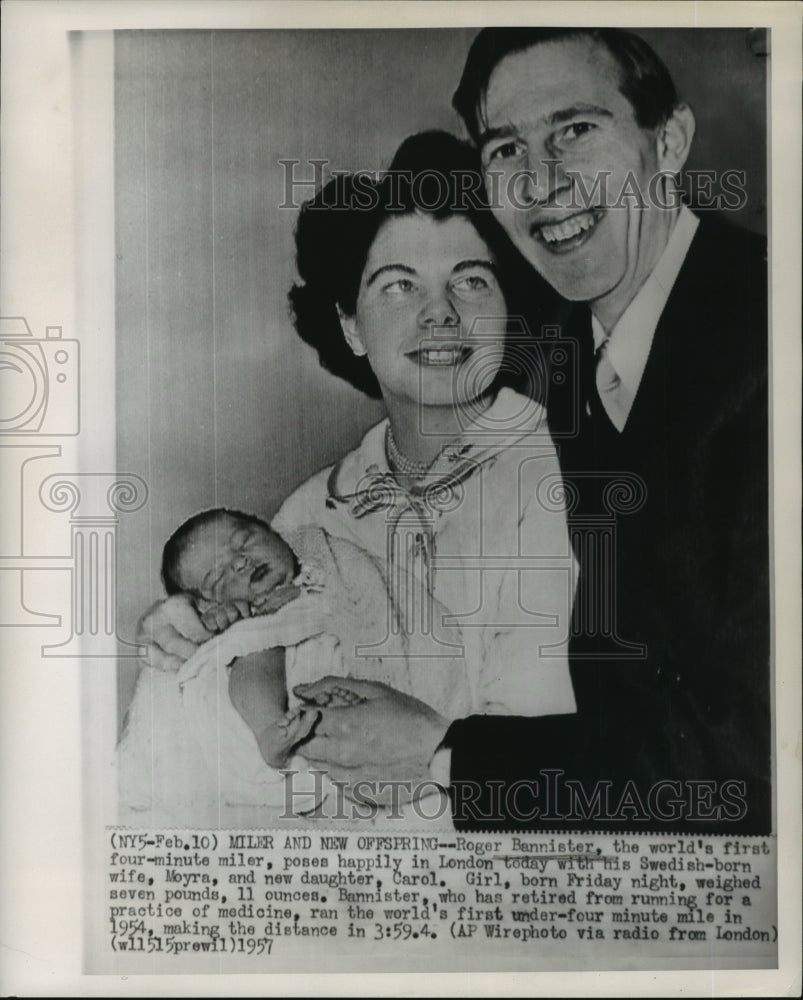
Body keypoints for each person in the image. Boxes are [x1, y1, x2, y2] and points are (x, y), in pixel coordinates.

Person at [296, 28, 771, 834]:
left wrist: (442, 755)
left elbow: (758, 760)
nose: (542, 183)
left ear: (671, 140)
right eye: (506, 149)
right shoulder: (549, 338)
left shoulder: (770, 338)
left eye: (575, 131)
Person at [134, 130, 578, 820]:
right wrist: (193, 630)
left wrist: (436, 752)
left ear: (509, 311)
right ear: (349, 326)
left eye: (471, 279)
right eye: (398, 286)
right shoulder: (308, 513)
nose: (440, 313)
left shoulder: (576, 476)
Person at [121, 506, 472, 824]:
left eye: (244, 541)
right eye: (218, 578)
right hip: (277, 656)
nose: (240, 562)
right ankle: (269, 728)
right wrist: (225, 618)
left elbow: (375, 601)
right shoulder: (245, 614)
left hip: (335, 655)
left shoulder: (324, 562)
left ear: (276, 534)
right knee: (253, 646)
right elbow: (208, 631)